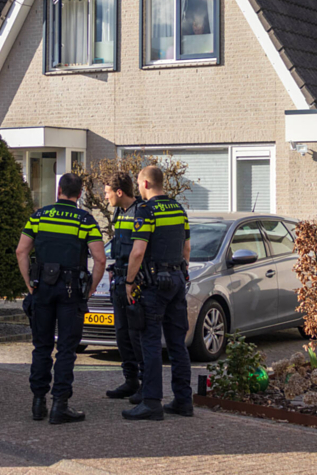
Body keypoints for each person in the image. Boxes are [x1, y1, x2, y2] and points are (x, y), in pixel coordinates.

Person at [16, 173, 106, 424]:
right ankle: (60, 405)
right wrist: (90, 288)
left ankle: (37, 404)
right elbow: (100, 258)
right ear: (80, 194)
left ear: (59, 190)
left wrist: (29, 283)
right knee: (66, 348)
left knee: (41, 346)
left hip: (42, 288)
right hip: (70, 291)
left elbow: (21, 250)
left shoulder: (39, 216)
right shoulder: (84, 220)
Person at [122, 166, 193, 421]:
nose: (138, 189)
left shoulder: (146, 211)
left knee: (149, 342)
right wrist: (182, 273)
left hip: (154, 285)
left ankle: (152, 402)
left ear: (147, 184)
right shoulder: (178, 209)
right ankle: (184, 400)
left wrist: (129, 282)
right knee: (177, 343)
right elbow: (186, 248)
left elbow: (138, 251)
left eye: (140, 184)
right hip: (176, 281)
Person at [103, 172, 144, 401]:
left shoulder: (141, 212)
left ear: (119, 192)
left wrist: (131, 280)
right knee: (121, 335)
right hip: (118, 280)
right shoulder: (119, 211)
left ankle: (144, 383)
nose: (105, 197)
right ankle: (130, 381)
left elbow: (140, 251)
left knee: (136, 333)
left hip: (134, 282)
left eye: (108, 192)